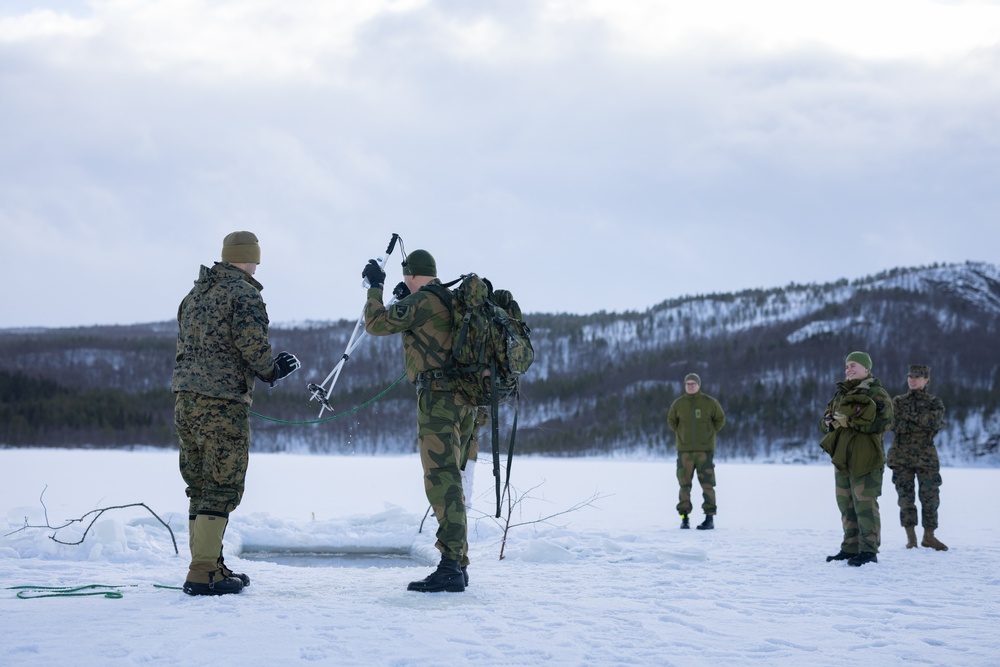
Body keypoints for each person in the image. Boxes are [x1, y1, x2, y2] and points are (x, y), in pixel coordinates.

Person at [172, 231, 301, 596]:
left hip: (186, 400)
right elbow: (252, 345)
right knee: (221, 483)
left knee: (199, 483)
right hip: (222, 403)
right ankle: (202, 572)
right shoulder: (243, 293)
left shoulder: (195, 293)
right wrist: (272, 371)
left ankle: (209, 564)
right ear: (251, 258)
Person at [362, 249, 476, 593]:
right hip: (466, 402)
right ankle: (459, 562)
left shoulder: (423, 302)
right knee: (452, 479)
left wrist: (374, 288)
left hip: (438, 401)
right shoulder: (451, 299)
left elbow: (375, 323)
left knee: (443, 482)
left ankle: (451, 565)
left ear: (410, 274)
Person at [819, 351, 893, 567]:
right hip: (843, 458)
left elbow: (883, 423)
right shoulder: (840, 394)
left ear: (866, 369)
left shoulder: (877, 394)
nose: (848, 369)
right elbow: (824, 421)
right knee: (846, 505)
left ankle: (869, 550)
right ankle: (850, 547)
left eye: (853, 365)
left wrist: (850, 422)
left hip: (867, 459)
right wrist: (829, 422)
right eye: (846, 366)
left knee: (865, 505)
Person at [889, 364, 948, 551]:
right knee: (905, 498)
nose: (912, 379)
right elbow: (894, 424)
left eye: (917, 376)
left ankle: (929, 536)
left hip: (926, 458)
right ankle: (911, 537)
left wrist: (910, 419)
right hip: (901, 457)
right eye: (910, 376)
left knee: (930, 497)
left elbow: (934, 422)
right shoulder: (898, 401)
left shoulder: (934, 402)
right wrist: (921, 421)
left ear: (926, 380)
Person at [667, 373, 725, 530]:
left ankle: (709, 518)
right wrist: (681, 434)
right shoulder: (678, 404)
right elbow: (672, 421)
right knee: (684, 485)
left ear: (699, 385)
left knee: (708, 485)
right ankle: (684, 518)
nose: (690, 386)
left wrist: (709, 434)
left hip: (704, 451)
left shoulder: (710, 402)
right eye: (688, 383)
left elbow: (720, 419)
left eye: (693, 383)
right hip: (684, 452)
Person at [461, 407, 490, 511]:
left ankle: (465, 507)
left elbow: (483, 421)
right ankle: (446, 508)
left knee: (466, 479)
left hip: (469, 450)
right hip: (456, 447)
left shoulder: (479, 403)